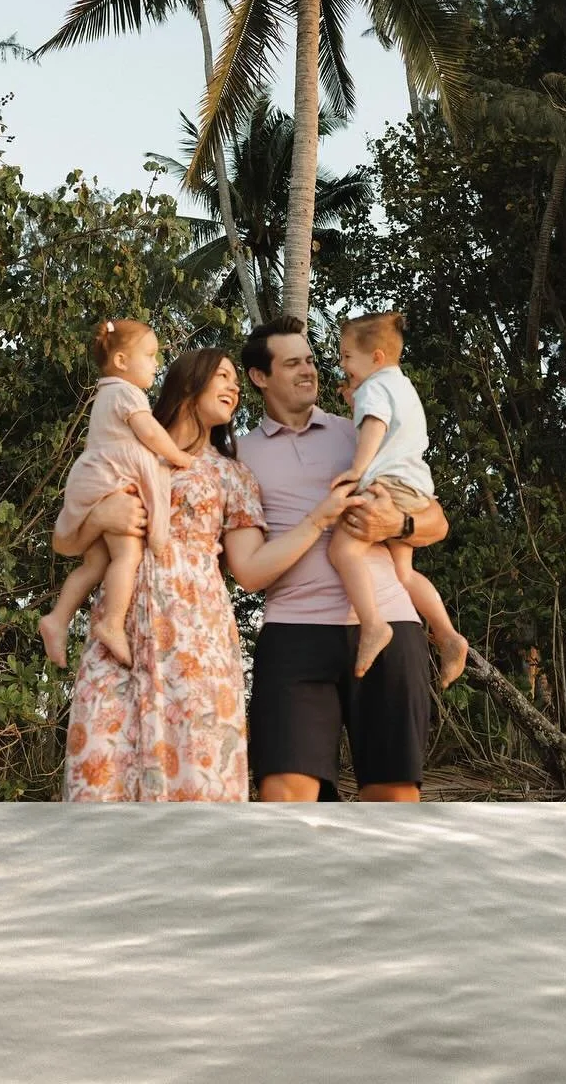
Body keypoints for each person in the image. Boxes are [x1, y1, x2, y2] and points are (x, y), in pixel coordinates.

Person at [55, 346, 353, 801]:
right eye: (224, 376)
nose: (234, 387)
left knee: (197, 780)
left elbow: (250, 572)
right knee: (100, 775)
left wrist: (318, 520)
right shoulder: (126, 451)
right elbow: (66, 542)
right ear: (189, 381)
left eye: (238, 380)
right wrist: (102, 518)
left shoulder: (232, 475)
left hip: (196, 640)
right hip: (119, 639)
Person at [238, 316, 449, 803]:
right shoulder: (238, 456)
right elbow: (248, 573)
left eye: (310, 359)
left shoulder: (361, 430)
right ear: (260, 377)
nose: (309, 370)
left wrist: (397, 526)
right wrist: (317, 521)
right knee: (286, 801)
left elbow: (436, 520)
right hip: (294, 633)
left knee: (393, 800)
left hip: (390, 623)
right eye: (292, 363)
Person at [39, 318, 195, 669]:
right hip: (112, 485)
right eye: (151, 355)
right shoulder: (126, 393)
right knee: (128, 554)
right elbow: (151, 434)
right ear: (122, 361)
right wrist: (178, 456)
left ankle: (57, 618)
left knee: (95, 563)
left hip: (94, 482)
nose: (156, 364)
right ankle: (111, 623)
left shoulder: (105, 394)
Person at [329, 311, 469, 686]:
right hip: (414, 488)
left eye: (346, 357)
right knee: (403, 573)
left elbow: (375, 425)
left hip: (386, 485)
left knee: (342, 551)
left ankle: (373, 624)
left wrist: (357, 471)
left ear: (375, 357)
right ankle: (448, 635)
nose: (343, 365)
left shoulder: (375, 389)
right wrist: (355, 399)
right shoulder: (400, 385)